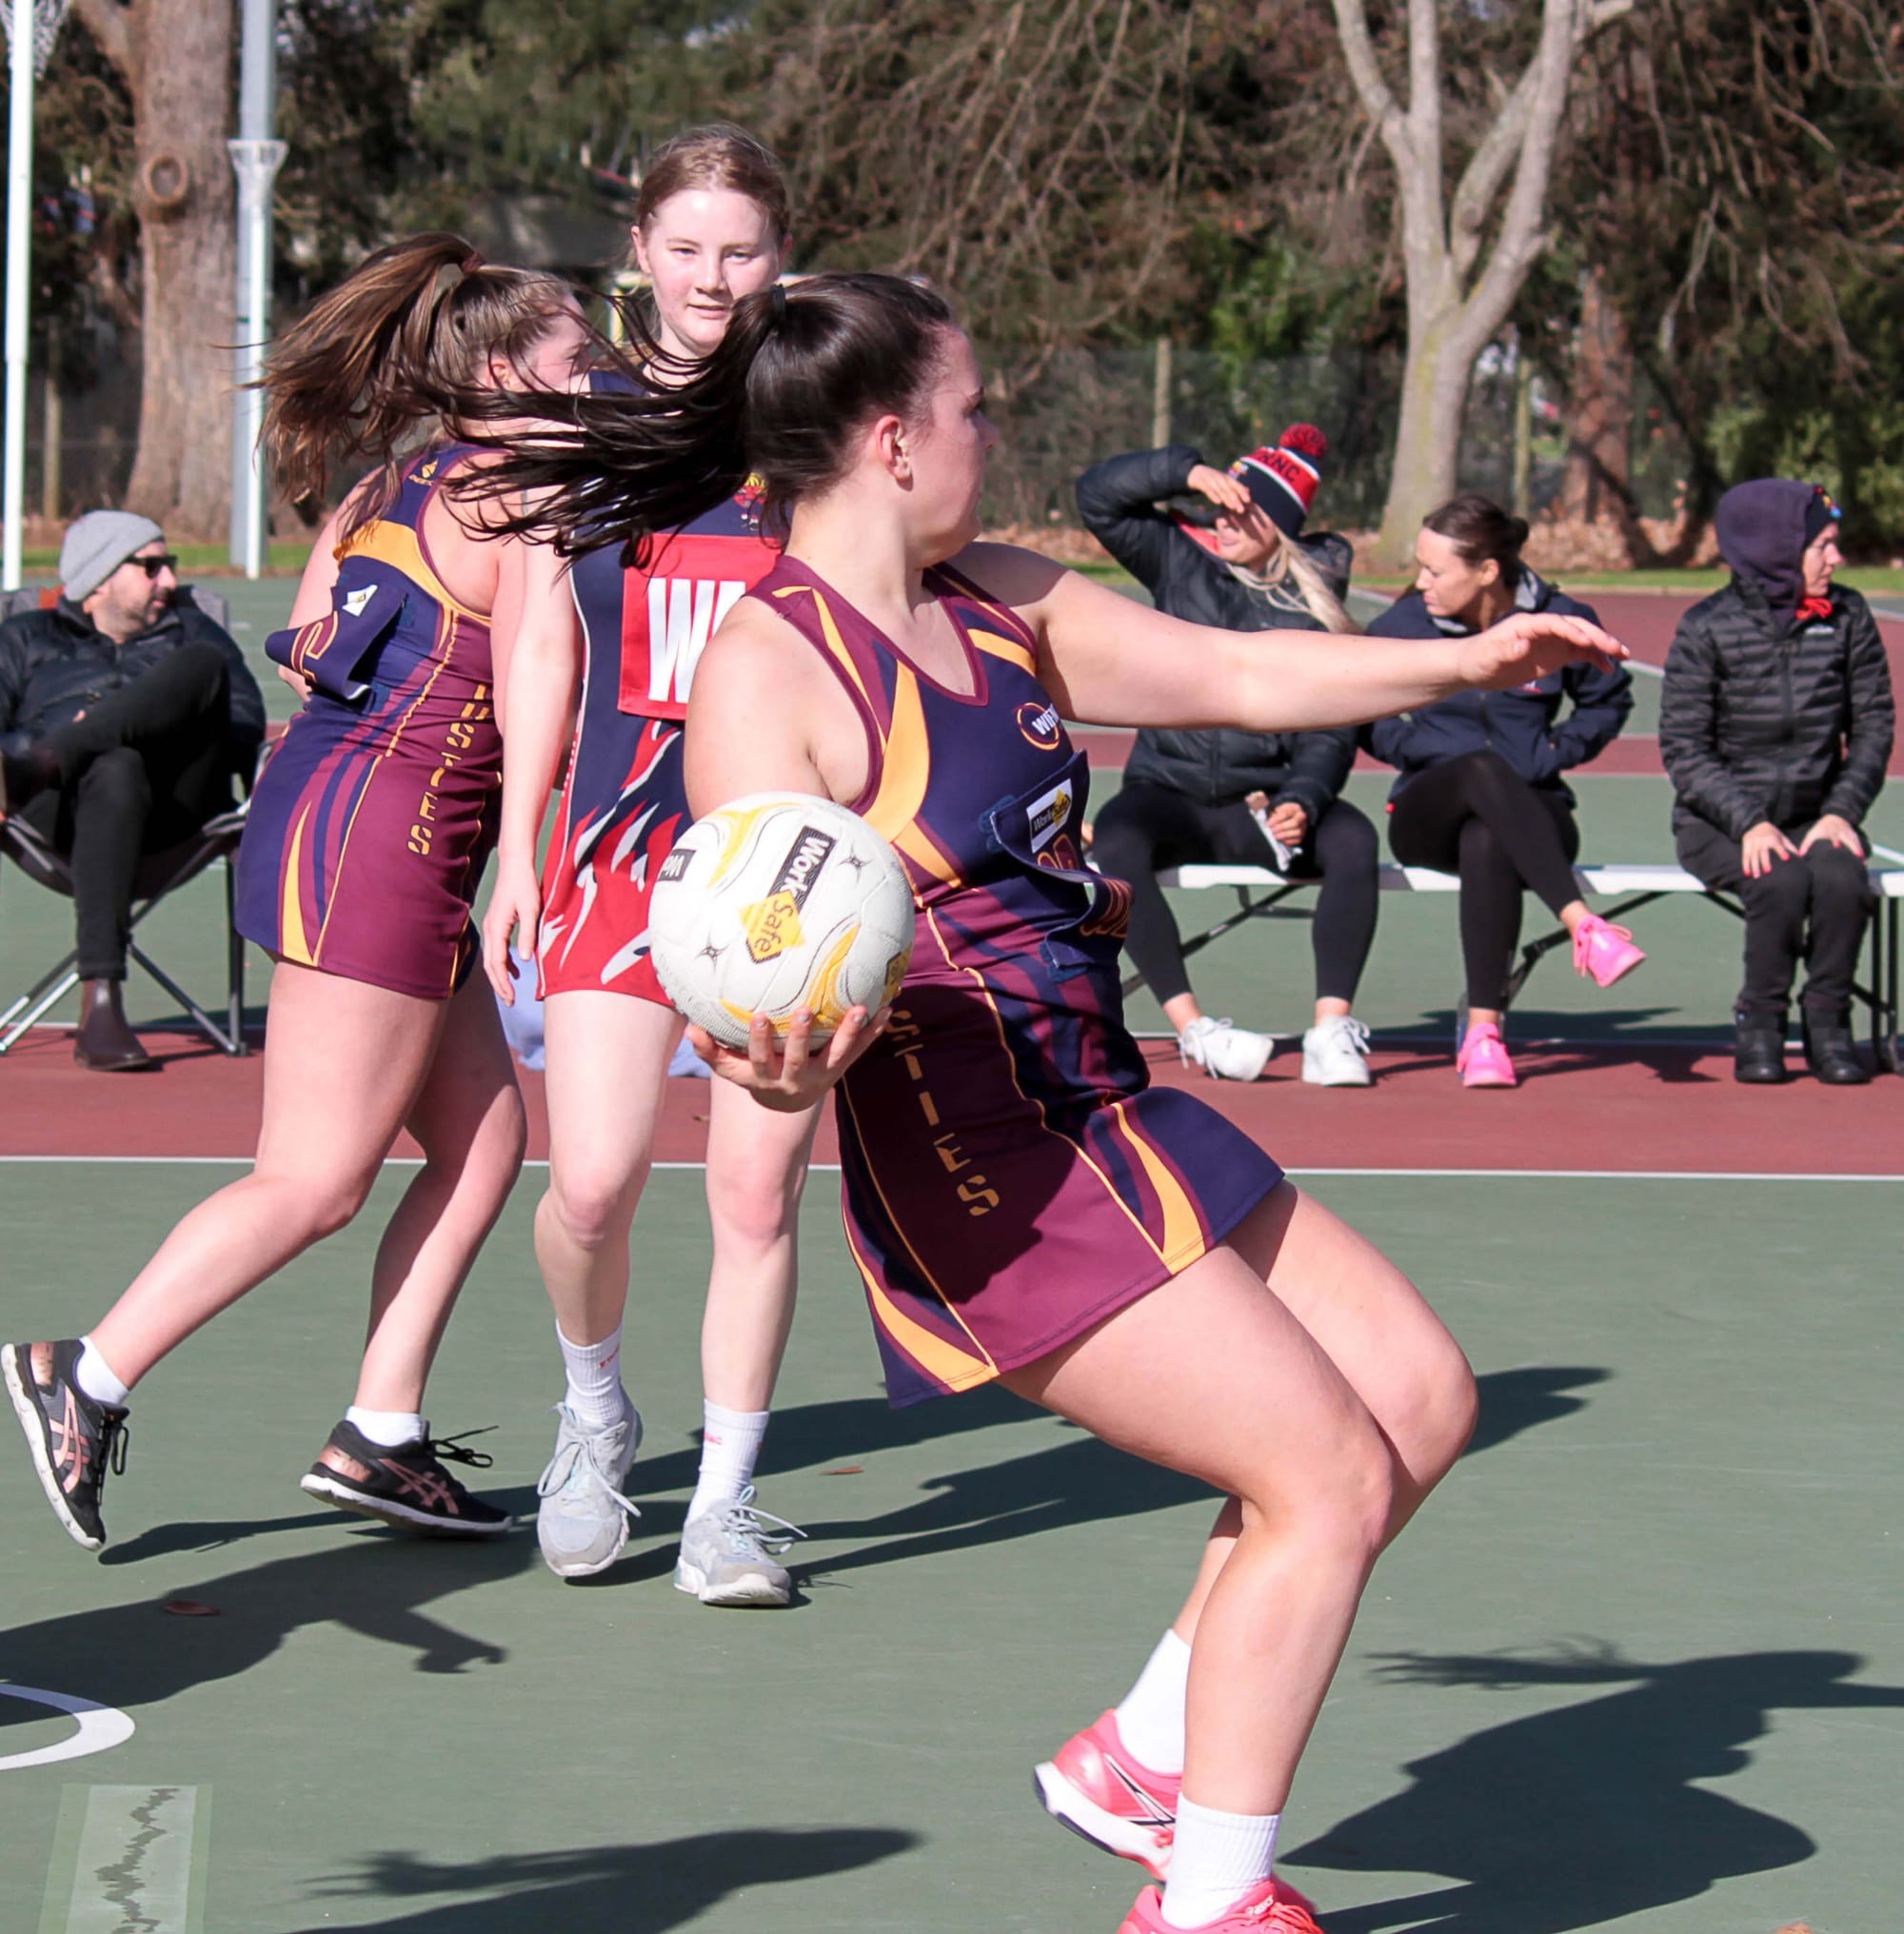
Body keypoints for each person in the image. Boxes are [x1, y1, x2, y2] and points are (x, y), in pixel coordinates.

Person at [475, 271, 1626, 1934]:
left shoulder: (1004, 594)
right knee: (1327, 1479)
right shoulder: (768, 677)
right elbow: (751, 962)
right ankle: (1207, 1903)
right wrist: (762, 1060)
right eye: (973, 407)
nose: (993, 432)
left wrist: (1468, 653)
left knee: (1421, 1401)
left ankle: (1147, 1756)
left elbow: (1237, 682)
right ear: (890, 441)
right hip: (982, 1162)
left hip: (1099, 1097)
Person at [1, 235, 588, 1552]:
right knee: (315, 1179)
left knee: (487, 1143)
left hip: (330, 818)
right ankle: (82, 1374)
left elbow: (315, 640)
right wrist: (527, 862)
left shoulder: (392, 485)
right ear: (502, 373)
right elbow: (540, 676)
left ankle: (381, 1432)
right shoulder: (525, 497)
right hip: (391, 842)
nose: (594, 377)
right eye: (575, 360)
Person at [480, 125, 817, 1602]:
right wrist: (516, 839)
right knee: (595, 1184)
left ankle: (725, 1509)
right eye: (686, 247)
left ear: (778, 259)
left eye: (739, 249)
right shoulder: (591, 419)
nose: (711, 275)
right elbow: (545, 635)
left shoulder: (816, 421)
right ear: (640, 257)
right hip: (615, 846)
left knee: (755, 1197)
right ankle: (592, 1411)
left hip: (777, 873)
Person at [1079, 426, 1380, 1086]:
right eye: (1222, 504)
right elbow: (1096, 497)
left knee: (1355, 840)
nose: (1224, 519)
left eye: (1245, 509)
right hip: (1169, 792)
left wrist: (1304, 797)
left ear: (1281, 524)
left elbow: (1331, 727)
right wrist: (1185, 472)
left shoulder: (1311, 603)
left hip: (1262, 804)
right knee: (1119, 840)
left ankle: (1331, 1031)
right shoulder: (1177, 561)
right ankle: (1196, 1030)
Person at [1365, 495, 1643, 1088]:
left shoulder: (1560, 619)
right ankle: (1583, 926)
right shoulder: (1403, 625)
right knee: (1479, 769)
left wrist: (1553, 754)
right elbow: (1365, 711)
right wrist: (1416, 751)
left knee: (1489, 835)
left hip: (1534, 812)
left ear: (1487, 571)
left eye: (1435, 571)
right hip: (1426, 812)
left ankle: (1483, 1035)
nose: (1421, 582)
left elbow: (1609, 698)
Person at [0, 513, 266, 1070]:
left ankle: (57, 755)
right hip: (61, 819)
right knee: (115, 766)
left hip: (178, 810)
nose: (169, 581)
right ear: (97, 581)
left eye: (168, 565)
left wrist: (60, 745)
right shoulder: (24, 639)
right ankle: (101, 1003)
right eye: (151, 567)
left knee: (200, 666)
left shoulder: (194, 631)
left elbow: (242, 727)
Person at [1661, 480, 1894, 1084]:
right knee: (1781, 878)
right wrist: (1749, 822)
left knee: (1844, 879)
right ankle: (1760, 1021)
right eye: (1823, 546)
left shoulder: (1847, 617)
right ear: (1775, 548)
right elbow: (1686, 749)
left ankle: (1829, 1022)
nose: (1836, 559)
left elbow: (1873, 725)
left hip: (1816, 814)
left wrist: (1842, 811)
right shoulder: (1705, 628)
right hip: (1719, 822)